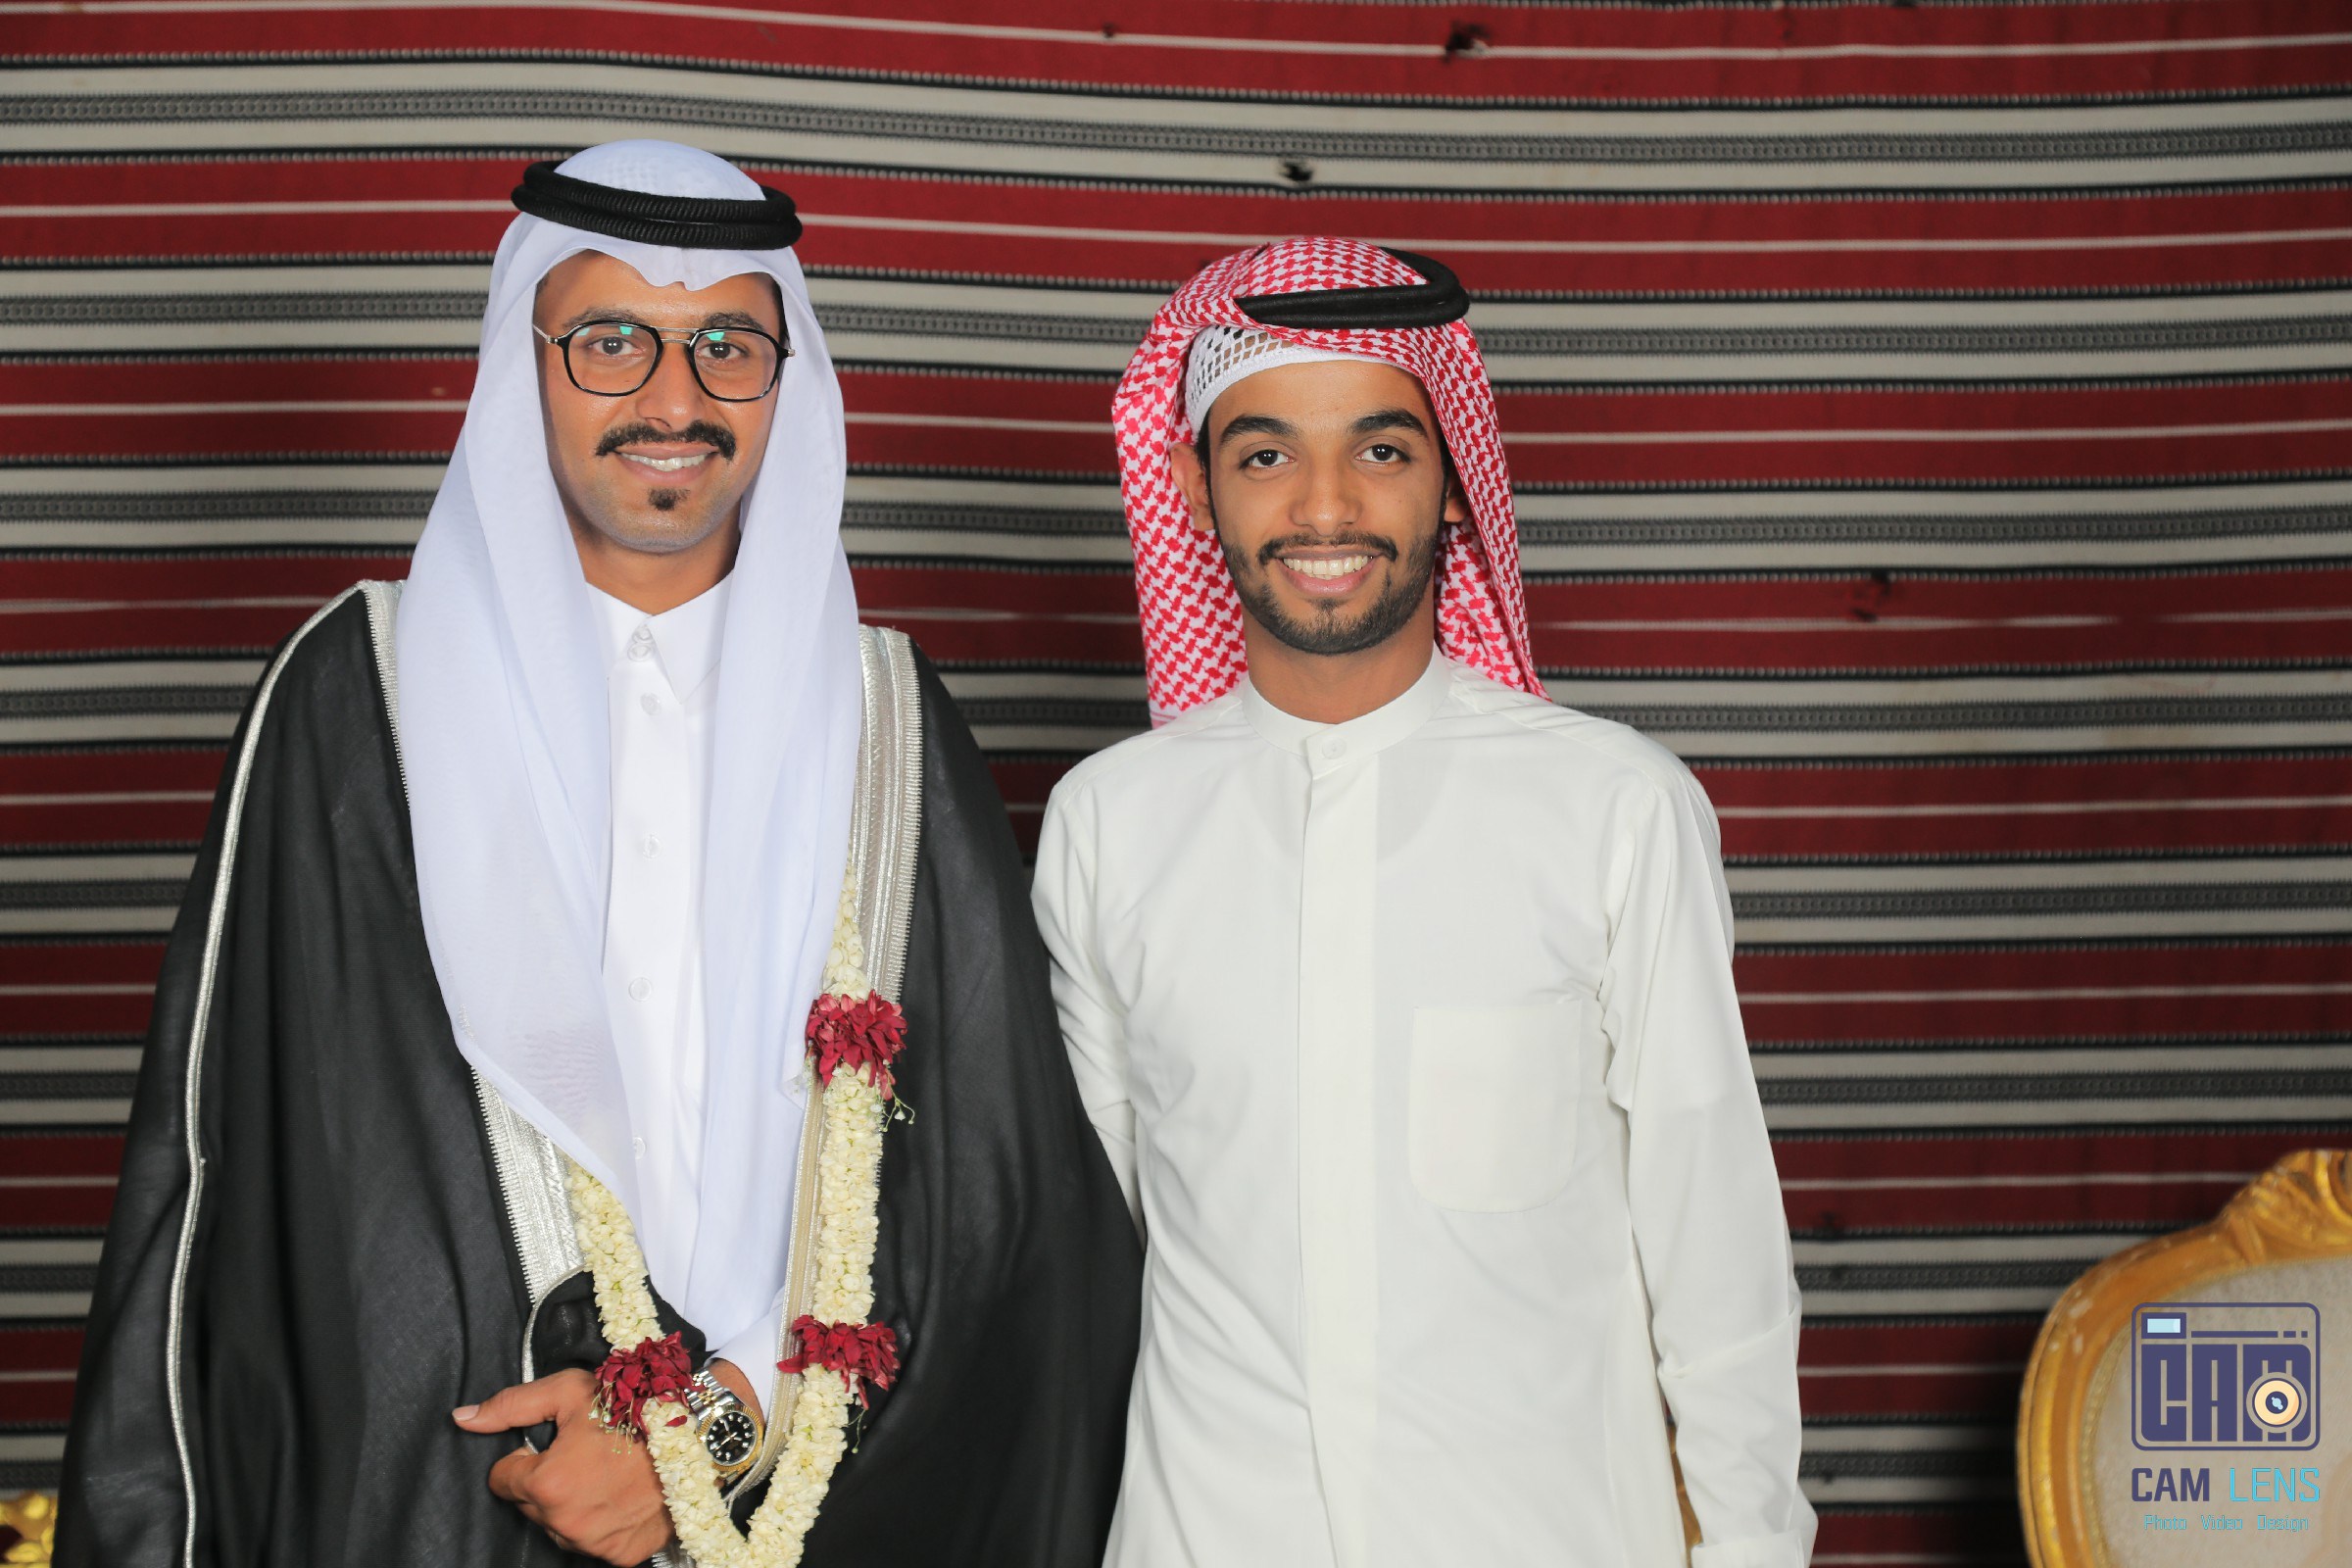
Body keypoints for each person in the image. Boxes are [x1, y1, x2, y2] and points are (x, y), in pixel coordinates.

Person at [58, 140, 1139, 1568]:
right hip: (448, 1497)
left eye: (727, 347)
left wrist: (719, 1426)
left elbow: (997, 1191)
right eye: (611, 341)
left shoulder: (886, 718)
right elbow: (231, 1183)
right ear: (527, 365)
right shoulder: (352, 694)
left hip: (809, 1502)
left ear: (787, 379)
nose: (674, 402)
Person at [1032, 237, 1814, 1567]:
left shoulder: (1613, 807)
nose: (1325, 507)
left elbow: (1715, 1245)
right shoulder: (1110, 822)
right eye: (1265, 455)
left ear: (1453, 478)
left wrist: (1751, 1550)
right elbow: (1092, 1252)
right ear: (1194, 488)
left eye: (1381, 450)